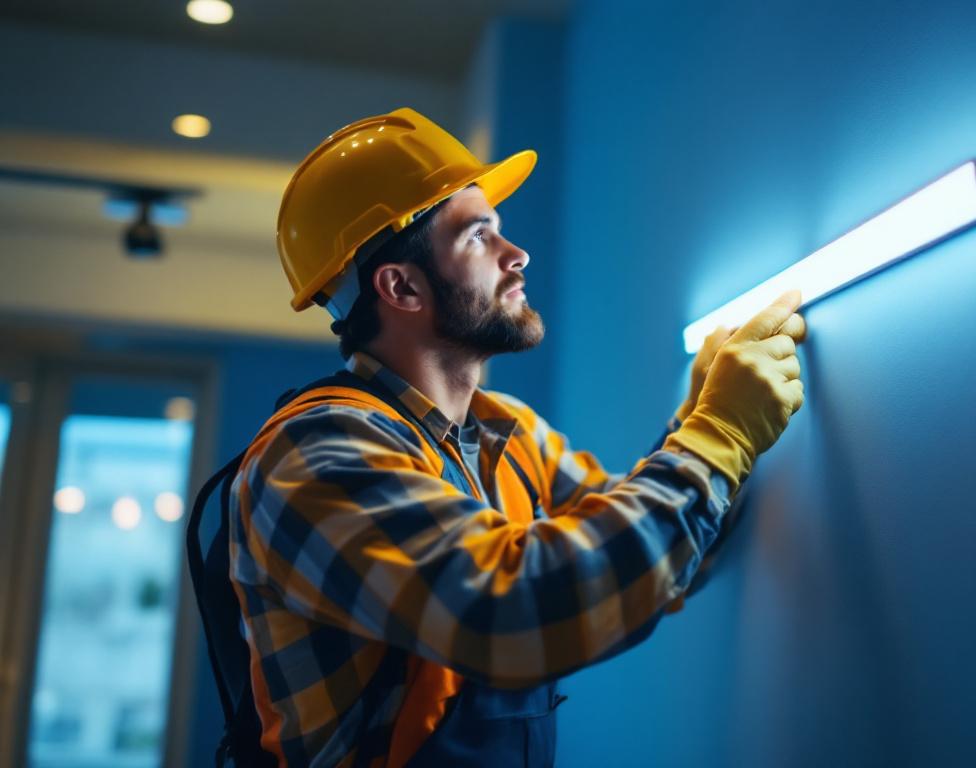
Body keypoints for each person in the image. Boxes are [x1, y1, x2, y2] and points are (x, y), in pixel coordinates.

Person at [192, 107, 806, 767]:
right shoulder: (313, 454)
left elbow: (657, 566)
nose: (517, 256)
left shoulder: (503, 431)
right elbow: (512, 614)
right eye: (479, 237)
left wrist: (696, 425)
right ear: (400, 285)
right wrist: (716, 438)